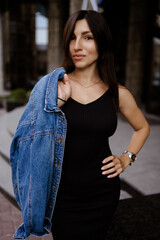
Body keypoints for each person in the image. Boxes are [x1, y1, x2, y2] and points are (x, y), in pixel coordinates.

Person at [10, 10, 149, 240]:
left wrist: (126, 158)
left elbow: (142, 127)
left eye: (87, 37)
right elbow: (25, 140)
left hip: (103, 194)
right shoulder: (52, 87)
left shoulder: (118, 93)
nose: (77, 45)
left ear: (102, 42)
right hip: (62, 197)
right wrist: (55, 105)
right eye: (72, 38)